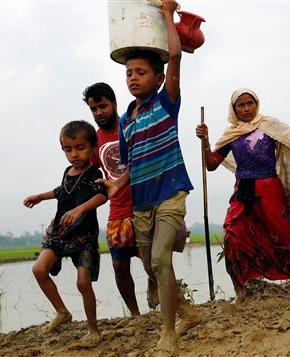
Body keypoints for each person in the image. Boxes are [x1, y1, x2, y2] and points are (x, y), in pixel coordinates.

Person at [97, 1, 191, 353]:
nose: (133, 77)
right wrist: (118, 184)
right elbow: (131, 161)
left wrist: (166, 15)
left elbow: (177, 57)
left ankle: (169, 333)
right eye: (129, 73)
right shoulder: (127, 119)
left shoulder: (166, 102)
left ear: (158, 77)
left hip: (170, 192)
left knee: (160, 258)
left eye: (140, 71)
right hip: (142, 201)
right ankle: (185, 310)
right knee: (153, 265)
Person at [194, 88, 290, 304]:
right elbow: (211, 165)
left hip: (270, 188)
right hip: (243, 191)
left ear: (256, 104)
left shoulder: (270, 126)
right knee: (233, 237)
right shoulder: (232, 134)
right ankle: (240, 292)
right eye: (241, 105)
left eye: (249, 103)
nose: (246, 108)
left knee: (285, 239)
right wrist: (205, 141)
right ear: (234, 109)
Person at [23, 120, 108, 346]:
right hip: (60, 234)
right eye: (68, 149)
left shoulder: (93, 172)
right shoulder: (67, 172)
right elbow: (63, 190)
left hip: (84, 236)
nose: (74, 154)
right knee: (39, 269)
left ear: (92, 147)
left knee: (83, 283)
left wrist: (80, 208)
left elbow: (102, 195)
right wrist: (40, 197)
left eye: (80, 148)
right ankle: (62, 312)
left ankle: (93, 329)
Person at [83, 82, 141, 317]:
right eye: (94, 109)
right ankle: (136, 314)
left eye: (103, 106)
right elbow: (90, 180)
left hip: (143, 204)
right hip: (117, 210)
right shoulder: (94, 142)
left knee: (152, 261)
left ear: (114, 104)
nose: (99, 113)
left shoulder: (131, 126)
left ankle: (157, 288)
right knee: (119, 264)